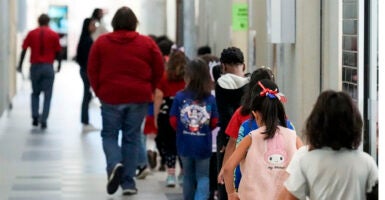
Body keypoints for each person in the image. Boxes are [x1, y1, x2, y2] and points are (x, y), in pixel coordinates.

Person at [87, 6, 164, 195]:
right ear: (134, 23)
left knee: (109, 135)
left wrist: (99, 91)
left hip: (110, 96)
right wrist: (150, 88)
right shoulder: (147, 43)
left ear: (114, 23)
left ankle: (114, 164)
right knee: (131, 138)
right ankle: (128, 183)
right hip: (138, 96)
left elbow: (92, 69)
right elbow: (159, 67)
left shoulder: (101, 43)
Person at [279, 90, 378, 200]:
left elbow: (287, 198)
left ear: (316, 124)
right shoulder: (366, 162)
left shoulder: (306, 161)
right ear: (354, 124)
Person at [222, 79, 302, 200]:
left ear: (255, 114)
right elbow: (306, 165)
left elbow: (228, 169)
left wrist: (231, 193)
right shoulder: (293, 136)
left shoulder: (251, 138)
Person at [169, 58, 219, 200]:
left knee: (188, 176)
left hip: (184, 143)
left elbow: (173, 120)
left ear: (188, 76)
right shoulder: (210, 99)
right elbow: (215, 122)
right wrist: (204, 129)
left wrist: (182, 129)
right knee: (203, 176)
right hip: (204, 144)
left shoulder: (180, 97)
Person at [17, 13, 62, 129]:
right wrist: (59, 65)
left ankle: (35, 116)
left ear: (38, 21)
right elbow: (58, 52)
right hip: (48, 67)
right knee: (48, 95)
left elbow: (24, 49)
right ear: (48, 22)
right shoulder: (53, 34)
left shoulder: (31, 33)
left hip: (35, 67)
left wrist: (20, 65)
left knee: (35, 93)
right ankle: (44, 120)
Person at [215, 47, 249, 200]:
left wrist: (224, 138)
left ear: (223, 66)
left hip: (228, 136)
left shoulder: (221, 84)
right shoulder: (251, 84)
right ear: (244, 65)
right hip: (249, 135)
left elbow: (224, 114)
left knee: (226, 174)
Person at [154, 46, 186, 187]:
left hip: (166, 113)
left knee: (169, 145)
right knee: (182, 144)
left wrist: (156, 115)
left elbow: (158, 96)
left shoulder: (164, 76)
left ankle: (171, 175)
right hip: (184, 112)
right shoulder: (187, 78)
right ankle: (183, 173)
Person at [75, 11, 98, 132]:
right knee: (86, 96)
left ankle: (85, 120)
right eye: (93, 25)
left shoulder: (84, 39)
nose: (95, 27)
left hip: (84, 70)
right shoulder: (88, 41)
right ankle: (85, 121)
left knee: (87, 95)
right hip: (86, 71)